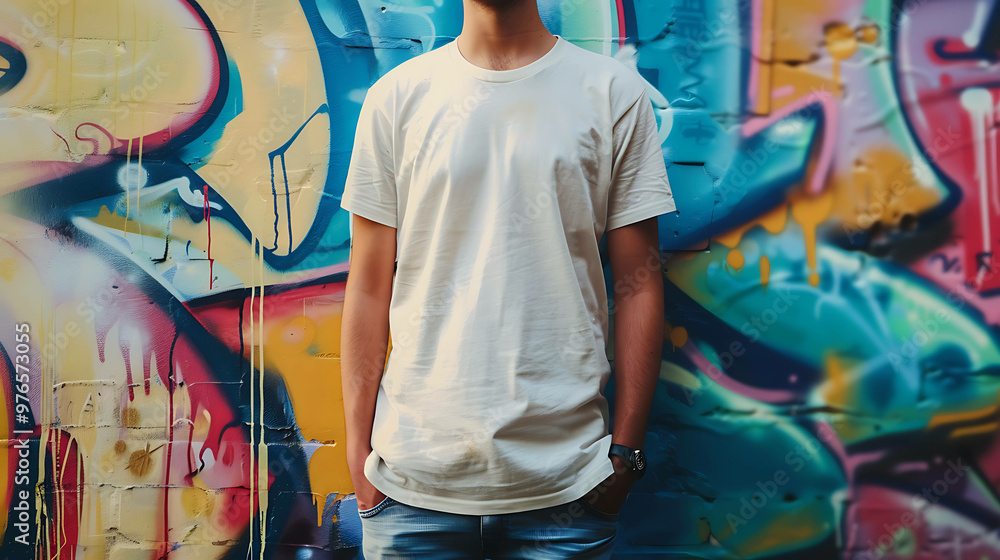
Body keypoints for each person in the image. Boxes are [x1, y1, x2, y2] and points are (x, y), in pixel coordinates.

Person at [339, 0, 676, 556]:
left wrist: (625, 457)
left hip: (569, 489)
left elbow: (639, 281)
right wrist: (358, 459)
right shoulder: (397, 99)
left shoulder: (612, 93)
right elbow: (369, 285)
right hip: (410, 491)